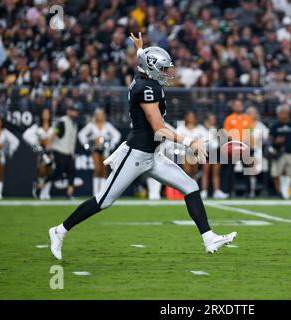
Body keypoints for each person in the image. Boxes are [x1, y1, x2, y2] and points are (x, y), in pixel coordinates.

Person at [48, 33, 236, 260]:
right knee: (103, 201)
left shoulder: (143, 77)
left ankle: (209, 238)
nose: (168, 73)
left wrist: (140, 49)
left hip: (153, 155)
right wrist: (190, 142)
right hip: (137, 154)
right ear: (153, 68)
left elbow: (142, 64)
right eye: (164, 69)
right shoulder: (148, 89)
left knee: (190, 187)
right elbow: (158, 128)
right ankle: (59, 231)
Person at [78, 108, 121, 196]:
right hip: (95, 149)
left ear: (103, 115)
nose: (100, 116)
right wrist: (87, 144)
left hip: (105, 149)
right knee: (97, 168)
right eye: (98, 114)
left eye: (101, 114)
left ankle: (102, 192)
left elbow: (117, 134)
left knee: (104, 169)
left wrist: (111, 144)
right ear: (95, 116)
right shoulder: (91, 125)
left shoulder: (107, 125)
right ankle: (95, 192)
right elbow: (81, 134)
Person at [222, 99, 254, 197]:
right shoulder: (229, 118)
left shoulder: (247, 118)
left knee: (247, 170)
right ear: (233, 107)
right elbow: (227, 133)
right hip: (233, 147)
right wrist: (235, 142)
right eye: (237, 105)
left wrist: (246, 143)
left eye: (240, 105)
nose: (239, 107)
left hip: (245, 147)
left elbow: (250, 132)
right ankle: (229, 191)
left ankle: (248, 192)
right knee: (230, 170)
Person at [268, 105, 291, 199]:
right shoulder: (275, 126)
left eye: (285, 112)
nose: (284, 114)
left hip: (290, 152)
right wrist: (275, 142)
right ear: (278, 114)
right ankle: (279, 192)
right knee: (276, 173)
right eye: (282, 112)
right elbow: (269, 140)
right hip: (278, 153)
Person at [22, 108, 55, 200]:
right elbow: (25, 135)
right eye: (44, 113)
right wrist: (36, 143)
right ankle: (40, 191)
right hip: (41, 152)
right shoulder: (36, 127)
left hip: (51, 152)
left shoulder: (53, 126)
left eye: (47, 113)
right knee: (42, 171)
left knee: (49, 171)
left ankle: (46, 193)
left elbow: (57, 137)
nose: (46, 115)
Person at [50, 105, 80, 199]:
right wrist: (49, 145)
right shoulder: (62, 121)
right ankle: (42, 186)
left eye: (75, 111)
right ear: (68, 111)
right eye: (72, 111)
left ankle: (69, 194)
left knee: (72, 172)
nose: (74, 113)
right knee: (58, 171)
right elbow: (55, 132)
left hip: (68, 152)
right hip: (59, 150)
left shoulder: (74, 123)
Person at [200, 113, 228, 199]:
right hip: (207, 151)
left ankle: (216, 191)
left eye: (214, 119)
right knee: (205, 172)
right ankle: (204, 191)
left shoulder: (218, 129)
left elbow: (223, 140)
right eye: (211, 118)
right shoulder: (203, 129)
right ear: (207, 119)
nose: (213, 120)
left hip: (216, 151)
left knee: (216, 173)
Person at [246, 106, 269, 198]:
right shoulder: (245, 124)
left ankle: (263, 189)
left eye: (253, 113)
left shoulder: (260, 125)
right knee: (250, 169)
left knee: (264, 165)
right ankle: (251, 191)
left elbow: (267, 136)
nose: (251, 115)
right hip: (246, 151)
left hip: (258, 150)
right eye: (249, 113)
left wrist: (260, 142)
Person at [175, 111, 207, 179]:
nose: (190, 118)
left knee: (193, 168)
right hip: (183, 152)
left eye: (192, 117)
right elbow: (176, 139)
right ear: (186, 118)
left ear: (195, 118)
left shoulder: (200, 129)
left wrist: (198, 146)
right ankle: (188, 178)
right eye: (189, 116)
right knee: (187, 171)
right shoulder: (181, 128)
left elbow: (206, 140)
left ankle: (194, 176)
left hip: (196, 153)